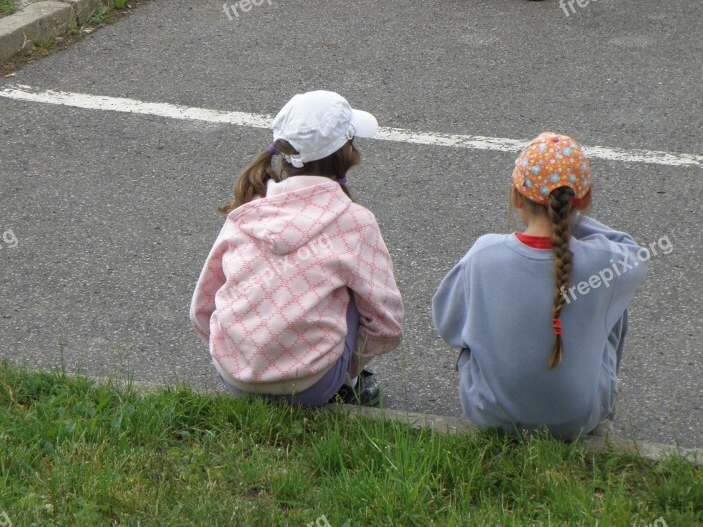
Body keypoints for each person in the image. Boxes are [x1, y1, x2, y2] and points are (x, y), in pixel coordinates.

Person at [191, 91, 404, 407]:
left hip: (234, 377)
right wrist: (347, 366)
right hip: (310, 386)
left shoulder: (248, 211)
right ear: (347, 152)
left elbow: (201, 308)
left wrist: (239, 356)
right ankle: (349, 388)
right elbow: (387, 323)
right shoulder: (355, 221)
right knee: (358, 294)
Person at [431, 132, 648, 440]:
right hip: (577, 420)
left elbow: (448, 325)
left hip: (490, 415)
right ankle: (600, 416)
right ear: (584, 199)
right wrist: (571, 220)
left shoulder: (483, 254)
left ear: (516, 196)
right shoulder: (606, 262)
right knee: (612, 305)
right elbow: (635, 251)